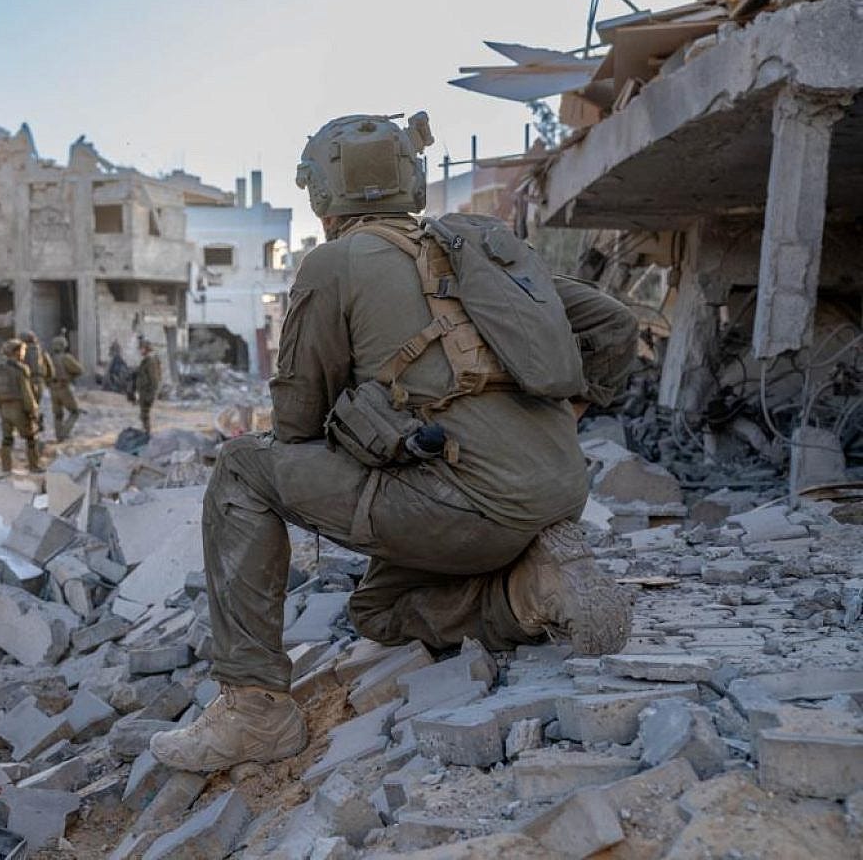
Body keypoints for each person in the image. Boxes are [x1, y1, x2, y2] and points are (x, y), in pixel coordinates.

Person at [150, 112, 639, 773]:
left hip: (459, 505)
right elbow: (612, 325)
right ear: (412, 179)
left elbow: (294, 430)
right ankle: (529, 589)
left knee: (242, 468)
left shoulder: (334, 264)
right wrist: (573, 413)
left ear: (323, 196)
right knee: (378, 610)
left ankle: (255, 711)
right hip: (557, 493)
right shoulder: (482, 249)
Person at [0, 339, 43, 473]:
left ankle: (6, 468)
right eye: (22, 350)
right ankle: (34, 466)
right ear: (16, 352)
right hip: (18, 408)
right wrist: (34, 411)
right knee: (31, 437)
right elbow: (27, 394)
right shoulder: (20, 370)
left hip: (4, 409)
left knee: (7, 439)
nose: (24, 354)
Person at [48, 335, 85, 441]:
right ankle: (64, 433)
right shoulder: (66, 358)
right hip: (63, 388)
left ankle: (58, 435)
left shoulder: (49, 359)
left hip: (52, 389)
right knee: (75, 412)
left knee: (58, 414)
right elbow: (80, 370)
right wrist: (70, 377)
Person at [21, 331, 54, 427]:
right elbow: (50, 368)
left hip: (27, 381)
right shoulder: (42, 352)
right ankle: (37, 421)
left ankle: (31, 424)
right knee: (35, 404)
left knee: (26, 405)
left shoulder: (21, 353)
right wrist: (48, 381)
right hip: (40, 381)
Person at [132, 340, 163, 435]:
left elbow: (154, 379)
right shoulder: (146, 360)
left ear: (146, 349)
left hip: (147, 392)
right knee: (143, 415)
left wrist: (151, 394)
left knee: (144, 415)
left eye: (141, 349)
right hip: (144, 392)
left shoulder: (150, 361)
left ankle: (147, 433)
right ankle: (146, 432)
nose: (140, 351)